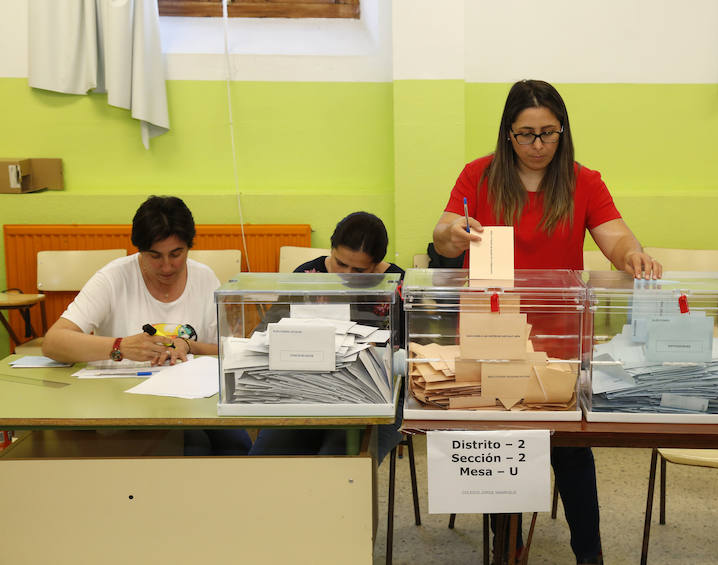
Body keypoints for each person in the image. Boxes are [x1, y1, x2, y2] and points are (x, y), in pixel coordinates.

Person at [433, 80, 662, 565]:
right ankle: (508, 549)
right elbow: (444, 233)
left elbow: (615, 236)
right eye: (526, 134)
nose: (538, 146)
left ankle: (590, 555)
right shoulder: (479, 174)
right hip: (492, 333)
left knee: (571, 452)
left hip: (559, 335)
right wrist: (452, 233)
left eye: (548, 133)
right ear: (507, 133)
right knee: (503, 446)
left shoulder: (584, 181)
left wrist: (633, 256)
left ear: (563, 131)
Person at [42, 195, 251, 456]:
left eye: (177, 254)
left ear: (189, 246)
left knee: (238, 446)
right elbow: (53, 342)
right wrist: (120, 346)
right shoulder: (114, 278)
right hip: (127, 400)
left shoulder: (204, 277)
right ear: (139, 250)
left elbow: (230, 351)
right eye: (155, 256)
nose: (167, 266)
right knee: (192, 446)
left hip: (194, 399)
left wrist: (188, 344)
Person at [250, 211, 405, 462]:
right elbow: (264, 333)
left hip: (376, 397)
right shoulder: (307, 275)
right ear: (331, 249)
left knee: (339, 462)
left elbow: (411, 351)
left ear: (376, 264)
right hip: (306, 390)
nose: (344, 274)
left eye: (358, 270)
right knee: (265, 459)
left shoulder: (396, 284)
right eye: (340, 263)